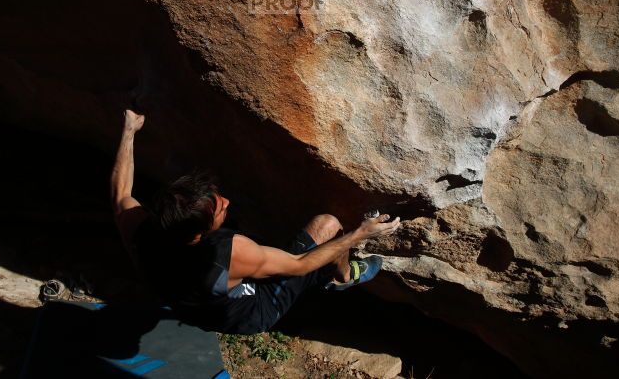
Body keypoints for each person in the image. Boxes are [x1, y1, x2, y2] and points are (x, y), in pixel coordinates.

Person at [110, 109, 401, 334]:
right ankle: (343, 277)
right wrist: (359, 234)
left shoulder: (142, 233)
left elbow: (121, 190)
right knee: (327, 226)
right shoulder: (226, 254)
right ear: (199, 233)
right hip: (253, 312)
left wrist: (129, 131)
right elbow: (300, 264)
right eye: (219, 210)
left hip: (190, 304)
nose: (226, 202)